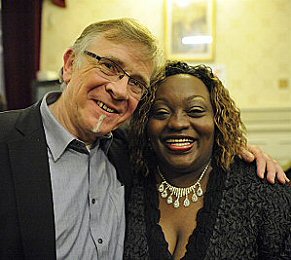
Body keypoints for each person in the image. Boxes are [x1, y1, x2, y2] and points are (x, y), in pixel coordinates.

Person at [0, 18, 287, 259]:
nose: (120, 90)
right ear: (70, 63)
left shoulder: (126, 152)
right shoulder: (6, 140)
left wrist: (237, 147)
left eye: (136, 82)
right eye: (109, 65)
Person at [124, 61, 291, 259]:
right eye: (161, 113)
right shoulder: (125, 180)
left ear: (217, 122)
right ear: (145, 124)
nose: (178, 123)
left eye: (195, 111)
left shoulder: (263, 189)